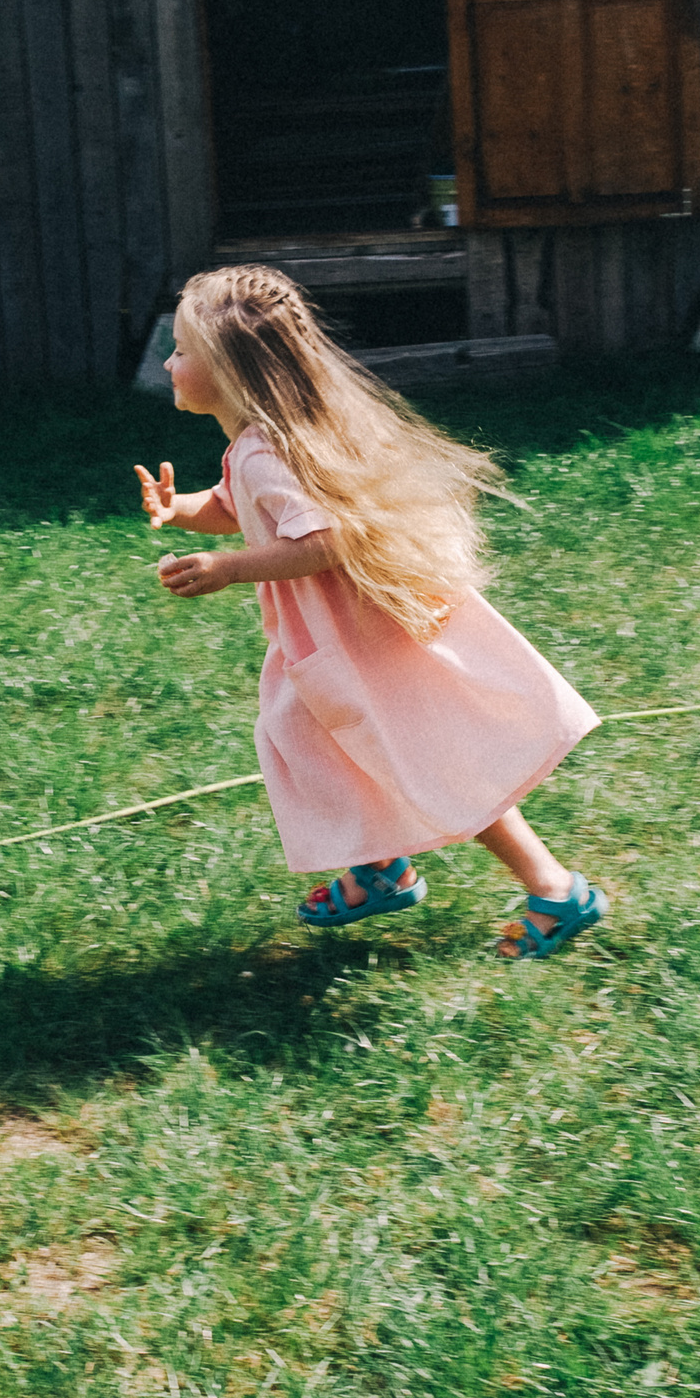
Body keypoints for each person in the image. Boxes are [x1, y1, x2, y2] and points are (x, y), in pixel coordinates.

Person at [131, 264, 609, 959]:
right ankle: (384, 863)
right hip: (332, 640)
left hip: (355, 644)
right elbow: (237, 506)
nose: (170, 362)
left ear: (230, 369)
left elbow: (322, 539)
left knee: (423, 761)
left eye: (181, 350)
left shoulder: (269, 453)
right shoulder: (259, 445)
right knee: (323, 743)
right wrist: (178, 510)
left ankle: (555, 889)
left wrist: (228, 568)